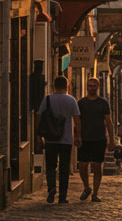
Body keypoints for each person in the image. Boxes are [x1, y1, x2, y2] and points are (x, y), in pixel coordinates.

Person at [35, 76, 81, 204]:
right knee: (64, 168)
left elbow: (39, 117)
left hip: (50, 139)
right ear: (67, 85)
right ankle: (62, 196)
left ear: (54, 85)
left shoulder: (48, 99)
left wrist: (38, 136)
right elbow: (77, 121)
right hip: (66, 140)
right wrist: (78, 136)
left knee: (50, 166)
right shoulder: (71, 100)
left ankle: (51, 188)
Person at [76, 77, 115, 202]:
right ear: (87, 87)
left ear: (98, 87)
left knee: (97, 166)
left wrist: (112, 140)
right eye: (90, 86)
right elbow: (77, 122)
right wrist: (77, 136)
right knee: (82, 165)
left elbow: (109, 122)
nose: (92, 88)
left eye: (94, 86)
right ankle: (87, 187)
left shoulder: (103, 103)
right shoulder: (81, 103)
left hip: (99, 138)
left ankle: (95, 193)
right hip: (85, 138)